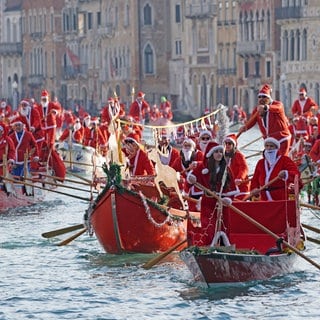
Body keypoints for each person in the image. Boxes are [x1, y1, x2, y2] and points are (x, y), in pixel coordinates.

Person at [186, 141, 239, 246]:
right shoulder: (202, 168)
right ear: (211, 154)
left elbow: (232, 189)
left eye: (221, 152)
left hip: (222, 203)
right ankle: (207, 247)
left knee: (225, 226)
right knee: (209, 227)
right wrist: (191, 179)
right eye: (216, 152)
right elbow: (190, 182)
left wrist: (228, 200)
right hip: (208, 203)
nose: (219, 154)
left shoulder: (226, 170)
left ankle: (224, 248)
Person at [238, 84, 291, 156]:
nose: (261, 99)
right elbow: (250, 123)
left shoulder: (278, 104)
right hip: (269, 142)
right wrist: (244, 128)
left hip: (282, 139)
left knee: (280, 161)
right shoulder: (256, 110)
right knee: (269, 162)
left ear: (269, 98)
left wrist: (266, 107)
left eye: (264, 97)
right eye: (259, 97)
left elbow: (277, 108)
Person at [223, 133, 250, 199]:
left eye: (229, 143)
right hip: (230, 188)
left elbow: (244, 168)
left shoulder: (238, 155)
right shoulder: (223, 156)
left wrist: (239, 178)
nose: (227, 145)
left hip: (240, 188)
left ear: (234, 145)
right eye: (225, 143)